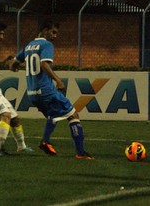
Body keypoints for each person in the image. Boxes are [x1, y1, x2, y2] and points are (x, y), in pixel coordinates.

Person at [11, 19, 93, 159]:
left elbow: (13, 65)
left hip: (32, 94)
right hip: (46, 91)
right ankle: (80, 153)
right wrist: (58, 80)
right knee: (73, 115)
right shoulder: (46, 45)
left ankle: (46, 141)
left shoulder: (29, 46)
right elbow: (44, 64)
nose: (55, 36)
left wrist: (15, 67)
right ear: (44, 30)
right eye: (53, 32)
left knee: (53, 115)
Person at [0, 20, 34, 156]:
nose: (1, 37)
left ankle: (21, 146)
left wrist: (6, 63)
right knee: (6, 115)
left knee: (14, 118)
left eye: (2, 34)